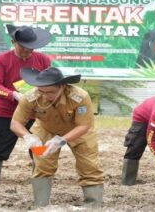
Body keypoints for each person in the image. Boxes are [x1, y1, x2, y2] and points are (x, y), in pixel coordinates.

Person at [10, 67, 104, 208]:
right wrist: (28, 137)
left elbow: (84, 126)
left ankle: (93, 206)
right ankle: (41, 206)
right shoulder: (31, 97)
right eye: (42, 91)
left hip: (78, 131)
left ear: (63, 86)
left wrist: (62, 140)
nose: (46, 96)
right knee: (42, 165)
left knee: (89, 166)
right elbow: (15, 123)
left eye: (51, 92)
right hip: (46, 129)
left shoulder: (79, 97)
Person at [0, 24, 52, 183]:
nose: (28, 51)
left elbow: (50, 82)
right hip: (6, 112)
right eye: (23, 47)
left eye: (31, 48)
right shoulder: (0, 60)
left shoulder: (43, 60)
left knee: (39, 143)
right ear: (13, 42)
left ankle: (39, 177)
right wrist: (13, 94)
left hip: (35, 112)